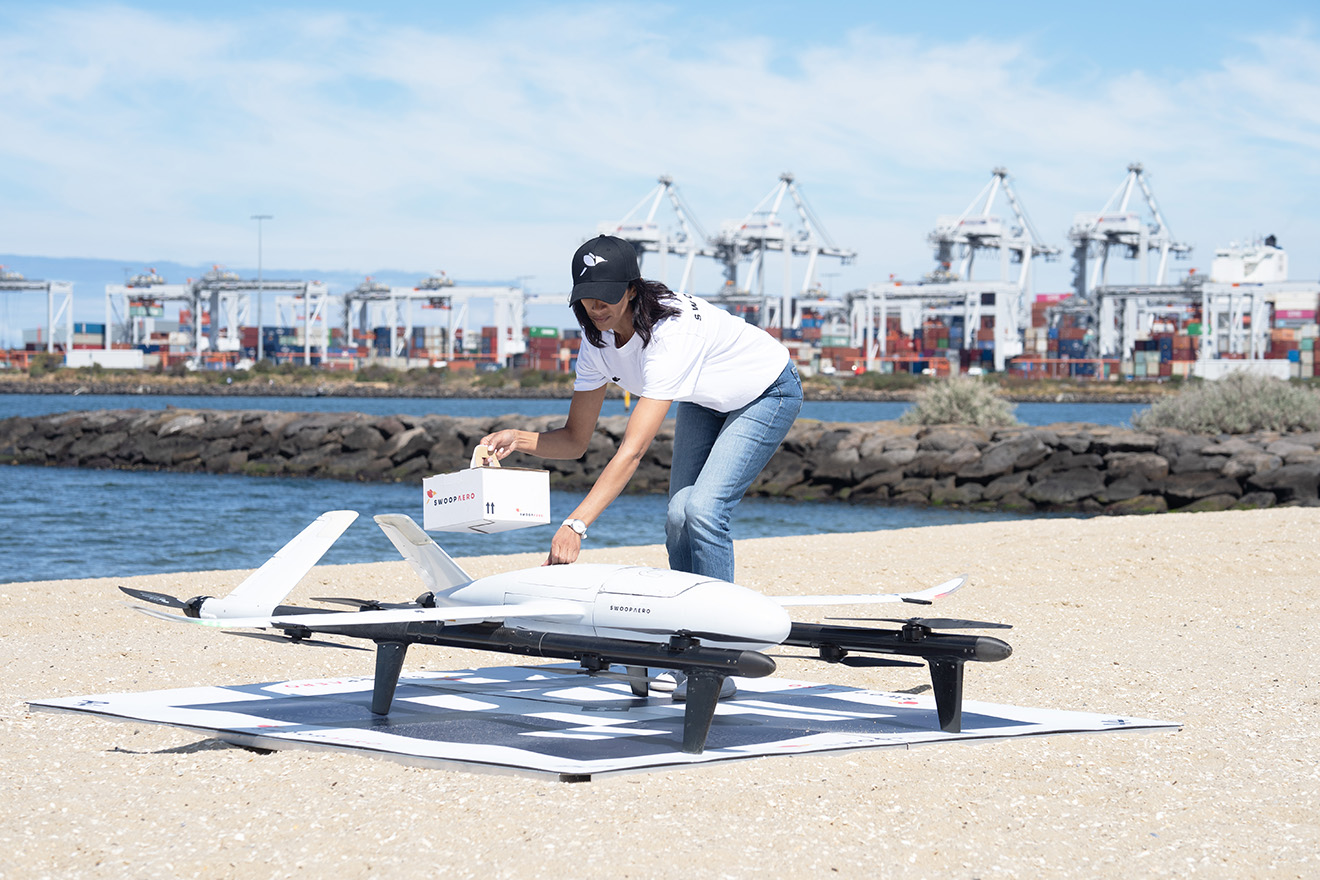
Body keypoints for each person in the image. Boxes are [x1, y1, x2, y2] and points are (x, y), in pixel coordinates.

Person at [481, 234, 801, 583]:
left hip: (768, 390)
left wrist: (576, 525)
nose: (596, 306)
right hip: (702, 397)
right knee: (678, 516)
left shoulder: (671, 336)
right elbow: (575, 441)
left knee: (703, 511)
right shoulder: (596, 344)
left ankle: (715, 621)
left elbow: (632, 452)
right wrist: (517, 439)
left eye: (607, 295)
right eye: (587, 297)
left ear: (633, 289)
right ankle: (688, 606)